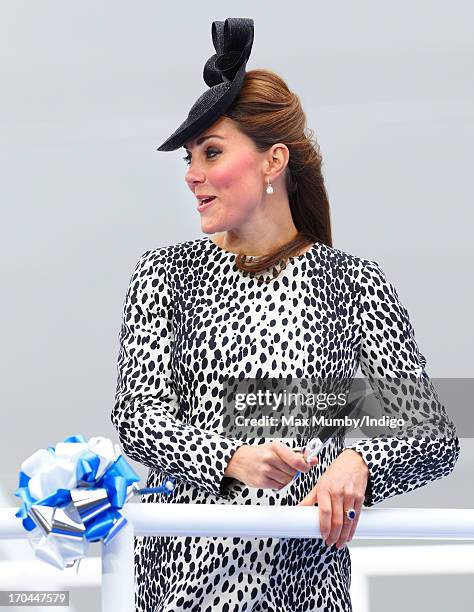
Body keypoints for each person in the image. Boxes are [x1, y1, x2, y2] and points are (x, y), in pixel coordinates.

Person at [111, 17, 460, 612]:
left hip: (302, 584)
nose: (192, 175)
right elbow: (138, 417)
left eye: (212, 152)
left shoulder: (351, 283)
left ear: (273, 162)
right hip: (179, 583)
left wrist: (360, 461)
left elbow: (429, 431)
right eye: (190, 157)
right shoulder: (164, 275)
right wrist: (231, 454)